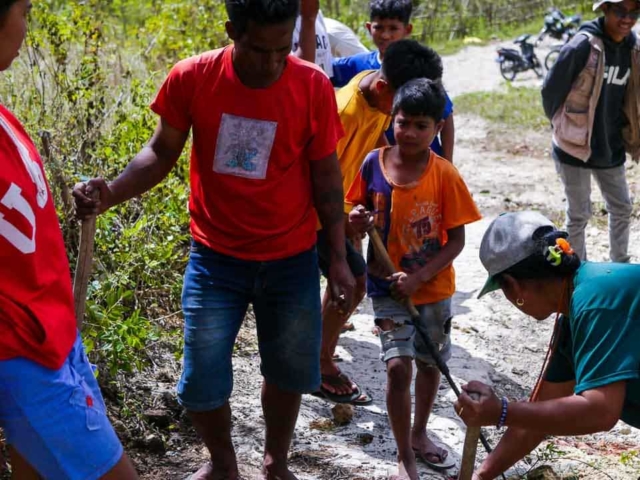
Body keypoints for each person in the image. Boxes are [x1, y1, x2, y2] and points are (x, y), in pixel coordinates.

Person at [73, 1, 355, 479]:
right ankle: (223, 464)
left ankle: (275, 462)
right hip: (216, 259)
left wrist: (341, 257)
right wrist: (112, 191)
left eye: (281, 51)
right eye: (258, 50)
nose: (270, 64)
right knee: (201, 379)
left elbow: (326, 179)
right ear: (231, 32)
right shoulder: (193, 78)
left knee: (287, 373)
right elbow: (161, 151)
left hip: (291, 259)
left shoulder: (309, 86)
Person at [0, 1, 139, 479]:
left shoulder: (5, 118)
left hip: (54, 339)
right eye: (23, 10)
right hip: (22, 352)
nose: (27, 24)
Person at [346, 78, 481, 479]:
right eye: (403, 123)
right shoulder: (373, 163)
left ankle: (420, 432)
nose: (410, 133)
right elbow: (357, 206)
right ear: (393, 120)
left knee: (428, 363)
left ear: (438, 129)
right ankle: (404, 455)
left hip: (433, 289)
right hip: (386, 285)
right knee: (397, 367)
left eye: (422, 126)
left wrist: (420, 277)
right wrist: (356, 218)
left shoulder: (445, 175)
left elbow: (456, 241)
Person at [456, 210, 640, 480]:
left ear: (512, 286)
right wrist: (482, 476)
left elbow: (600, 410)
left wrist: (502, 412)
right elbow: (535, 419)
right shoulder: (575, 310)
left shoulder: (594, 302)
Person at [316, 40, 451, 406]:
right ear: (384, 89)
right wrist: (344, 220)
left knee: (347, 283)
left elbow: (374, 140)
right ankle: (320, 363)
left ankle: (318, 353)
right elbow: (320, 172)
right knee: (354, 282)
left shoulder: (373, 90)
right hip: (316, 212)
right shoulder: (344, 112)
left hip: (341, 208)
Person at [542, 0, 640, 264]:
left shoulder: (633, 48)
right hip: (573, 146)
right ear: (605, 9)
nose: (627, 19)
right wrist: (564, 128)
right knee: (579, 214)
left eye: (634, 12)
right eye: (620, 11)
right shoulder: (583, 45)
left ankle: (619, 266)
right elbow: (550, 92)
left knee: (622, 207)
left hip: (611, 146)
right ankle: (577, 274)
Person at [331, 0, 455, 161]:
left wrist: (389, 170)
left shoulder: (377, 91)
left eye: (393, 28)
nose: (385, 35)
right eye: (380, 27)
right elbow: (327, 174)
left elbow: (377, 134)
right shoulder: (345, 115)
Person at [292, 0, 333, 77]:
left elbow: (327, 73)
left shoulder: (317, 14)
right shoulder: (280, 17)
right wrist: (308, 20)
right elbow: (296, 74)